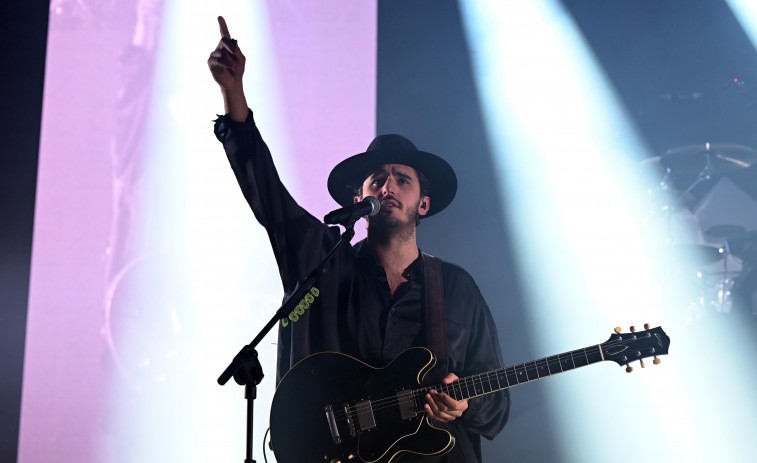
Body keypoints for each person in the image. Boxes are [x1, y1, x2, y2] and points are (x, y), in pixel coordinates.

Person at [208, 16, 508, 462]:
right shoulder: (322, 262)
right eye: (377, 179)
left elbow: (497, 409)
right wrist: (234, 96)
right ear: (358, 195)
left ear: (422, 204)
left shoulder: (456, 289)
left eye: (402, 180)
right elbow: (268, 196)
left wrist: (463, 402)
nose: (388, 187)